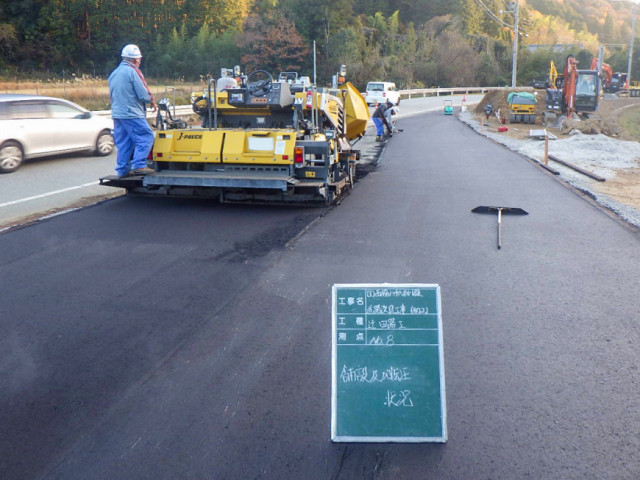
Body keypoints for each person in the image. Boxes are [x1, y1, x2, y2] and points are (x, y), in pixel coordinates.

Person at [108, 44, 157, 178]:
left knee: (125, 141)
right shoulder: (133, 71)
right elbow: (143, 93)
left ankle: (122, 170)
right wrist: (151, 100)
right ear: (135, 60)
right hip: (132, 113)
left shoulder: (115, 73)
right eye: (139, 59)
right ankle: (139, 165)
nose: (139, 62)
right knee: (146, 137)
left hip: (118, 114)